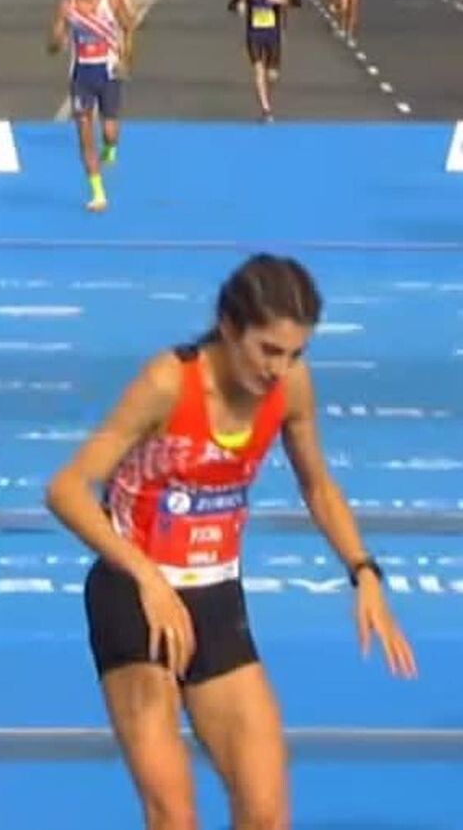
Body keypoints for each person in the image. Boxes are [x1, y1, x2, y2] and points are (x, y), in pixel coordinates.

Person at [45, 254, 416, 830]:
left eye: (295, 354)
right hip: (133, 595)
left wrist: (362, 570)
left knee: (266, 812)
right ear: (227, 325)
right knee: (174, 815)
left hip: (216, 598)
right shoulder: (168, 383)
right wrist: (147, 579)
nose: (279, 369)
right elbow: (66, 489)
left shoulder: (291, 388)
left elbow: (318, 485)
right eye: (268, 350)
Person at [48, 0, 137, 213]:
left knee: (109, 130)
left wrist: (126, 60)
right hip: (82, 75)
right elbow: (53, 45)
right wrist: (58, 37)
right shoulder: (68, 5)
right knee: (85, 134)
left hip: (108, 72)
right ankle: (98, 193)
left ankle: (110, 146)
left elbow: (128, 27)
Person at [229, 0, 291, 122]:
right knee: (258, 70)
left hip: (272, 34)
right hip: (255, 34)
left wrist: (280, 0)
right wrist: (240, 4)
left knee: (272, 75)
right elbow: (232, 3)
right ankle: (265, 109)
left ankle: (266, 100)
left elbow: (295, 0)